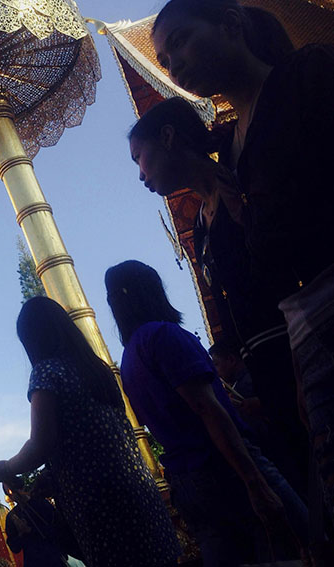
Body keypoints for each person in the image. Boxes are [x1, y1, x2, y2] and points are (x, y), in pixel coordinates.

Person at [151, 0, 334, 513]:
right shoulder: (232, 151)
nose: (174, 65)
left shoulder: (309, 75)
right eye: (164, 61)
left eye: (181, 41)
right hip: (309, 337)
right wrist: (300, 368)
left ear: (231, 24)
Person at [127, 96, 309, 498]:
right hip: (264, 372)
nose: (140, 175)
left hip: (299, 349)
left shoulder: (239, 185)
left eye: (140, 157)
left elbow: (286, 276)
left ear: (169, 137)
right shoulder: (200, 222)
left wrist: (300, 367)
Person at [105, 260, 308, 566]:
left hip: (187, 480)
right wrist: (255, 481)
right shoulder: (164, 336)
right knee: (305, 538)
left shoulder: (129, 359)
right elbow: (207, 409)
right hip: (225, 464)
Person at [0, 297, 180, 567]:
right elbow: (90, 437)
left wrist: (6, 467)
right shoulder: (97, 369)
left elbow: (40, 444)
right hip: (140, 492)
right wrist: (52, 476)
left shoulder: (47, 372)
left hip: (99, 503)